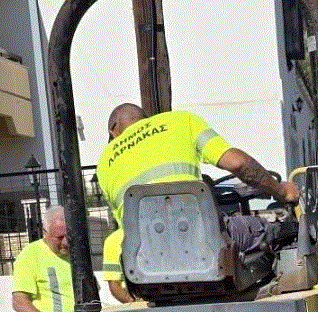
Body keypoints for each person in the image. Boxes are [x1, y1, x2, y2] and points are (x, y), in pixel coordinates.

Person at [95, 103, 300, 275]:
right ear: (146, 119)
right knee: (274, 229)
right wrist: (282, 190)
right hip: (203, 248)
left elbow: (128, 226)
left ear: (113, 130)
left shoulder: (104, 163)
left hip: (149, 267)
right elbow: (237, 163)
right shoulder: (180, 121)